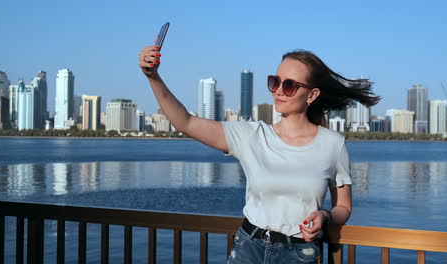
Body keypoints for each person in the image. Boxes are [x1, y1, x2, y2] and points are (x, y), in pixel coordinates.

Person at [139, 39, 380, 263]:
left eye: (289, 85)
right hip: (248, 248)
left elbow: (344, 208)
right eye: (275, 82)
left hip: (299, 253)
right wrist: (153, 77)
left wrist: (325, 217)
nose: (277, 90)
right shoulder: (252, 135)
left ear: (312, 95)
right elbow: (186, 122)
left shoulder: (333, 144)